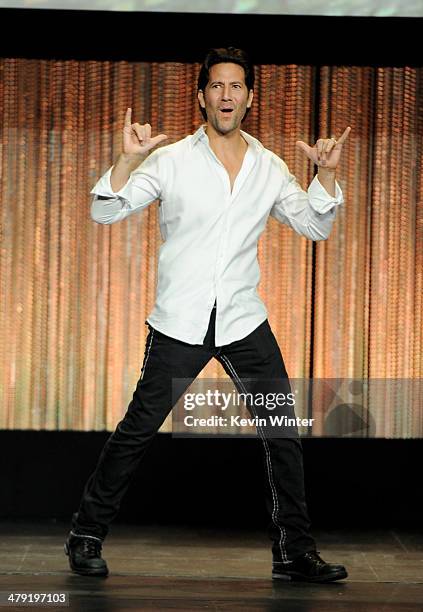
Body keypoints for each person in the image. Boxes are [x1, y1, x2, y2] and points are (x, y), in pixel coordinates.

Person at [64, 47, 351, 582]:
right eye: (216, 86)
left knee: (282, 431)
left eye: (236, 86)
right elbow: (104, 212)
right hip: (180, 322)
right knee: (138, 430)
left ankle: (293, 551)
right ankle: (86, 534)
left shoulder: (269, 166)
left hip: (244, 319)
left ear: (249, 98)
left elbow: (315, 226)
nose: (226, 95)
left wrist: (328, 178)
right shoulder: (170, 160)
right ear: (201, 96)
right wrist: (126, 160)